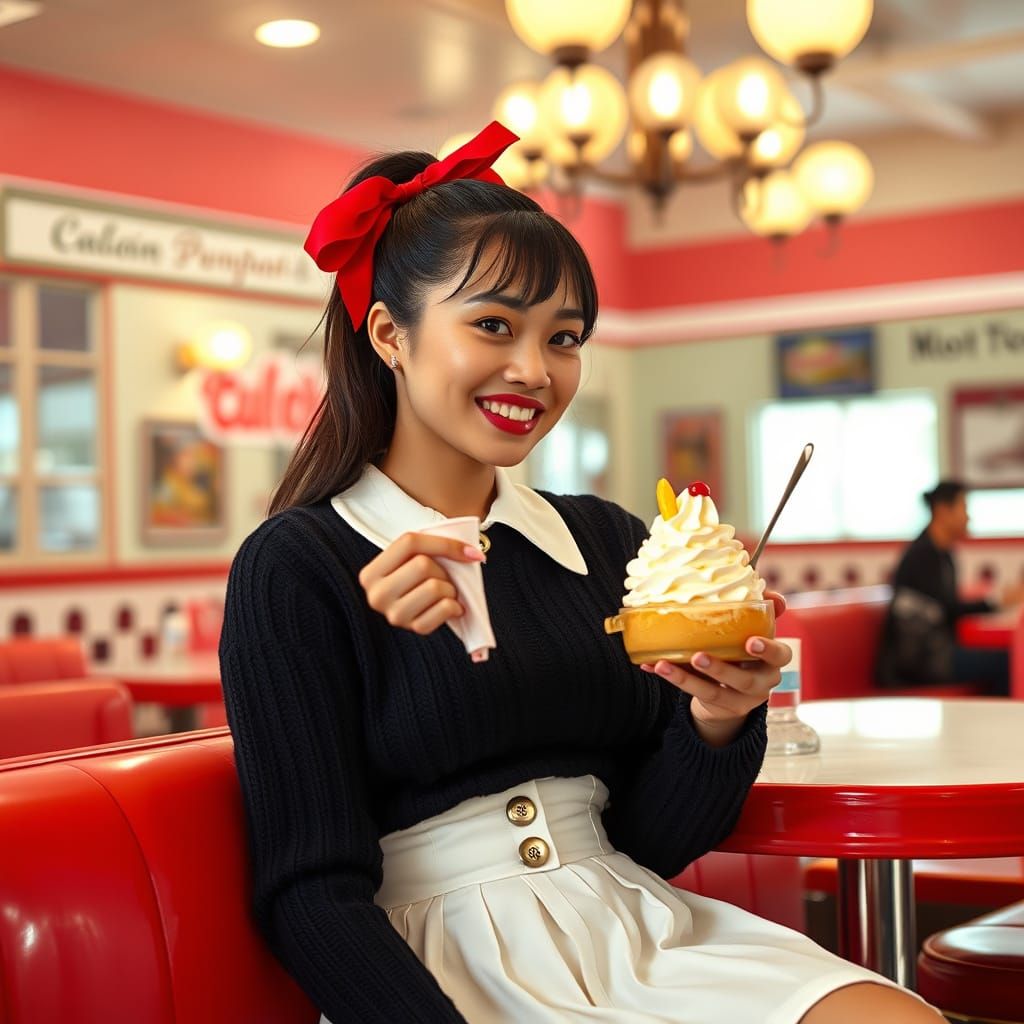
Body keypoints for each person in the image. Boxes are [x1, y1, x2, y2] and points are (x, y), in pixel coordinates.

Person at [219, 123, 941, 1024]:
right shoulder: (298, 566)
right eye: (493, 325)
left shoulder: (605, 542)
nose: (534, 370)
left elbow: (651, 839)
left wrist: (718, 717)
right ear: (388, 335)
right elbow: (309, 896)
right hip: (436, 970)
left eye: (564, 338)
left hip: (633, 925)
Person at [877, 479, 1022, 695]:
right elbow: (946, 610)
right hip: (917, 661)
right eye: (964, 508)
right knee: (1005, 662)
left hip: (934, 652)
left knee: (1004, 658)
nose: (968, 517)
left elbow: (946, 610)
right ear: (943, 511)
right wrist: (996, 602)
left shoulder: (943, 555)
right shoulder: (922, 555)